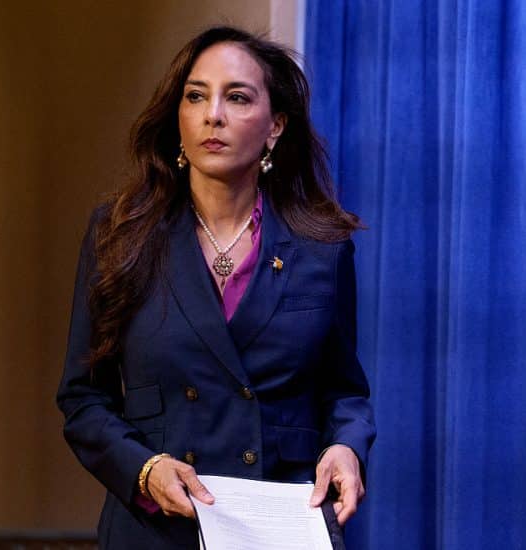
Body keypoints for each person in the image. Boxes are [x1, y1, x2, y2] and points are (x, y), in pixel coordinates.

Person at [56, 26, 376, 549]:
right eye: (196, 96)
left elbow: (344, 393)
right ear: (178, 117)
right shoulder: (119, 237)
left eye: (238, 98)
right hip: (157, 529)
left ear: (275, 126)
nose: (213, 115)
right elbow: (83, 399)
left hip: (279, 523)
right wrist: (145, 470)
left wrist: (347, 448)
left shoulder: (323, 246)